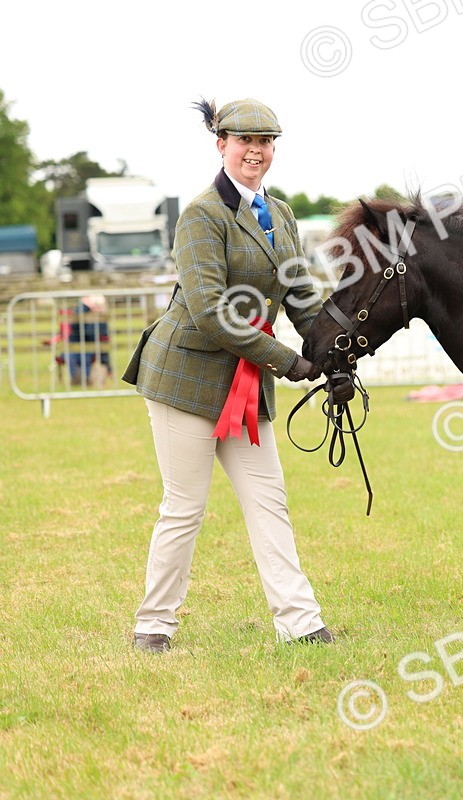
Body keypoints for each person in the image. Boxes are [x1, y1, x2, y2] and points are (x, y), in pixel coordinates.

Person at [123, 98, 333, 653]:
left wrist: (335, 349)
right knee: (184, 506)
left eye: (266, 143)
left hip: (245, 380)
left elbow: (302, 295)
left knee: (269, 501)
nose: (256, 152)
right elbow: (212, 311)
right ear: (221, 145)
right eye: (245, 141)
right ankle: (154, 625)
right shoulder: (201, 215)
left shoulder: (282, 215)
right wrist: (289, 361)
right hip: (185, 379)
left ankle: (301, 622)